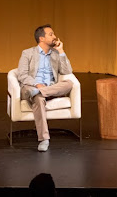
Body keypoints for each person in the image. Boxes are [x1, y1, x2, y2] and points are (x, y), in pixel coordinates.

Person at [16, 24, 74, 152]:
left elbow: (67, 71)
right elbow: (22, 75)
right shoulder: (27, 53)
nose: (54, 37)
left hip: (50, 88)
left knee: (69, 83)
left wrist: (61, 51)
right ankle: (44, 139)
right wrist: (36, 84)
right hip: (31, 87)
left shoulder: (55, 54)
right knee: (37, 98)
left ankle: (40, 92)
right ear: (41, 38)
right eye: (51, 34)